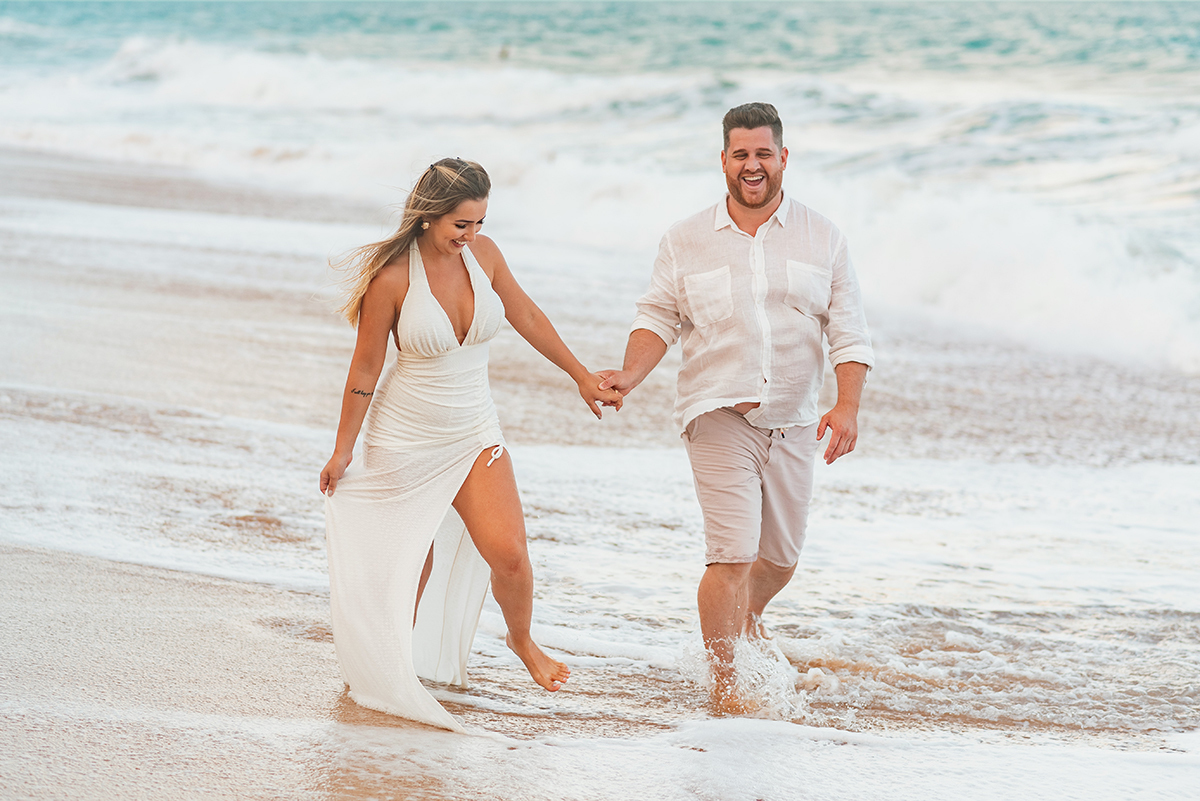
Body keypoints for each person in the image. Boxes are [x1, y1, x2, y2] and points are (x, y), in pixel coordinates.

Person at [319, 158, 621, 732]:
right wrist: (343, 450)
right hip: (404, 436)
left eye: (480, 223)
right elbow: (364, 369)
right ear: (431, 218)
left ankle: (521, 639)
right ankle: (387, 667)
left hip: (474, 429)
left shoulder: (484, 257)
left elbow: (526, 313)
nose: (471, 236)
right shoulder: (392, 279)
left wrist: (580, 374)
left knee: (509, 554)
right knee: (412, 563)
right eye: (462, 224)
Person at [599, 103, 875, 714]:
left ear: (783, 158)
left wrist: (846, 405)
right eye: (740, 154)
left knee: (779, 559)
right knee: (731, 554)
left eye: (764, 154)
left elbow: (849, 332)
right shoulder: (684, 239)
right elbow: (657, 318)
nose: (753, 165)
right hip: (717, 414)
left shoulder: (824, 237)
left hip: (796, 419)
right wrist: (631, 374)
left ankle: (746, 618)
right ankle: (726, 687)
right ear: (723, 160)